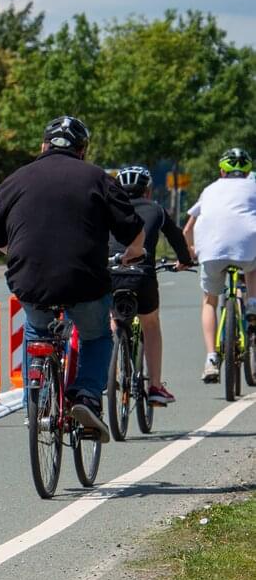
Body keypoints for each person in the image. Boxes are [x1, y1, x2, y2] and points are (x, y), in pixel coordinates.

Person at [0, 116, 146, 443]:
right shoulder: (98, 178)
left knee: (36, 329)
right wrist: (134, 253)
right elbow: (133, 229)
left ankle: (36, 398)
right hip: (84, 280)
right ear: (83, 150)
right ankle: (86, 395)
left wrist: (17, 252)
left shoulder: (15, 180)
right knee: (97, 335)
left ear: (43, 145)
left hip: (29, 280)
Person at [109, 165, 194, 404]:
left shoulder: (107, 208)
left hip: (111, 272)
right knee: (151, 323)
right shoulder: (156, 209)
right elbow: (176, 236)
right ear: (147, 191)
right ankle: (156, 386)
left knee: (110, 315)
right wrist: (184, 261)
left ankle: (111, 369)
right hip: (142, 276)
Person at [183, 147, 256, 383]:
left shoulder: (209, 190)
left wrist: (191, 252)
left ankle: (211, 358)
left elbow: (188, 229)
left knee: (209, 301)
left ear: (222, 171)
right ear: (247, 171)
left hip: (211, 252)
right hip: (247, 248)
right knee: (252, 266)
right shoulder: (253, 185)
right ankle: (253, 304)